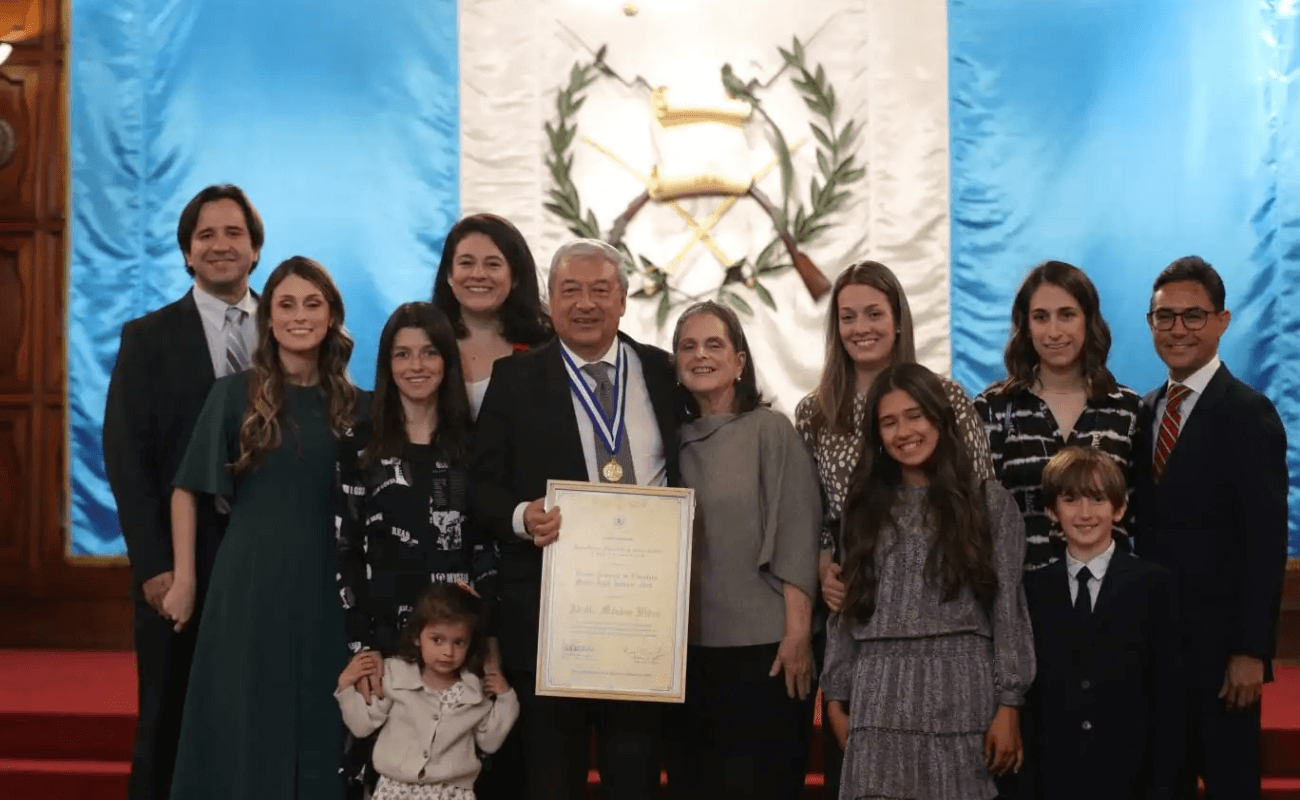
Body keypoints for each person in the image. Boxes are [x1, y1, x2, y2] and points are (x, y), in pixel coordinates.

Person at [470, 238, 679, 800]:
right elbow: (480, 487)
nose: (585, 303)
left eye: (599, 290)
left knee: (633, 775)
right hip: (551, 620)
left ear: (624, 299)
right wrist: (521, 517)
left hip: (644, 621)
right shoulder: (513, 379)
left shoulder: (664, 373)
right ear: (550, 300)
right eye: (570, 291)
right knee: (551, 778)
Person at [163, 256, 361, 800]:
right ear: (267, 318)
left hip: (330, 587)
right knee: (248, 716)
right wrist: (184, 580)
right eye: (286, 304)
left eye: (313, 304)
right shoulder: (233, 396)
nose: (300, 316)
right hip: (248, 582)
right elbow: (187, 490)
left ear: (332, 317)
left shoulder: (358, 407)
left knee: (323, 718)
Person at [793, 260, 995, 796]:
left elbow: (980, 502)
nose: (862, 327)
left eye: (874, 313)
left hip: (943, 618)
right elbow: (809, 513)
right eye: (848, 316)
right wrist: (821, 564)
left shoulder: (945, 398)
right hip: (860, 617)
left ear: (899, 320)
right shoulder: (814, 413)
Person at [102, 183, 263, 800]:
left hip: (265, 559)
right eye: (206, 236)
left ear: (254, 250)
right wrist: (155, 566)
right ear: (188, 254)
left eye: (234, 234)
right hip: (180, 562)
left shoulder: (288, 327)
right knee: (167, 722)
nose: (221, 245)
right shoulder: (147, 337)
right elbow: (125, 458)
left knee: (256, 714)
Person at [821, 362, 1035, 800]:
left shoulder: (988, 503)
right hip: (878, 693)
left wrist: (1010, 704)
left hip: (962, 692)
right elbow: (848, 608)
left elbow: (1009, 609)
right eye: (889, 422)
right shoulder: (862, 510)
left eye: (915, 415)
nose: (904, 431)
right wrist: (835, 696)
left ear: (940, 418)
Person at [1131, 256, 1288, 800]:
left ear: (1222, 321)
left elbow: (1266, 541)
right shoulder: (1143, 412)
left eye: (1193, 316)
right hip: (1155, 651)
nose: (1178, 329)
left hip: (1224, 659)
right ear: (1149, 324)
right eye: (1165, 317)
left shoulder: (1250, 413)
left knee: (1229, 785)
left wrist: (1251, 651)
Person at [335, 302, 493, 797]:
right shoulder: (360, 444)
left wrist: (487, 647)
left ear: (447, 361)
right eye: (402, 354)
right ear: (387, 365)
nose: (416, 366)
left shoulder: (474, 444)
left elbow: (487, 549)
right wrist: (362, 647)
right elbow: (344, 548)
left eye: (428, 353)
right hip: (386, 642)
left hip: (455, 646)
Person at [666, 301, 821, 800]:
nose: (700, 355)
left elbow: (798, 528)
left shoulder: (770, 430)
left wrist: (797, 634)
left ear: (739, 361)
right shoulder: (667, 443)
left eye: (715, 345)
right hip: (686, 656)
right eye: (688, 346)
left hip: (766, 654)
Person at [1019, 447, 1182, 800]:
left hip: (1131, 777)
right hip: (1054, 777)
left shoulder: (1155, 586)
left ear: (1119, 508)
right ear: (1051, 510)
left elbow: (1169, 696)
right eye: (1071, 499)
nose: (1085, 513)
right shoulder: (1032, 590)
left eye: (1097, 499)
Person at [974, 260, 1141, 571]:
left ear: (1088, 320)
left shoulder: (1127, 408)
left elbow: (1141, 517)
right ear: (1025, 326)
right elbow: (976, 519)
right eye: (1040, 317)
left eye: (1067, 315)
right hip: (1022, 604)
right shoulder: (993, 409)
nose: (1054, 331)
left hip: (1109, 604)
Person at [336, 582, 519, 800]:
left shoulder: (474, 691)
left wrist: (506, 698)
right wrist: (345, 686)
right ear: (417, 637)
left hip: (452, 793)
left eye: (459, 642)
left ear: (471, 644)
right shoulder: (396, 677)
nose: (448, 652)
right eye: (437, 640)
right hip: (395, 791)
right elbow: (361, 726)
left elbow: (490, 742)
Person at [431, 213, 553, 419]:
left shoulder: (546, 347)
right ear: (449, 275)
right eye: (466, 263)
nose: (478, 274)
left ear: (515, 277)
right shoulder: (425, 341)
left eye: (493, 264)